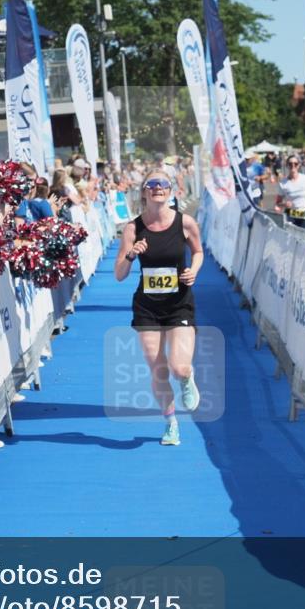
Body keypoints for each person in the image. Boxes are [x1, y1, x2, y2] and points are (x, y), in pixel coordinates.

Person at [114, 170, 204, 447]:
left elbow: (198, 252)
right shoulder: (133, 228)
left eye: (162, 184)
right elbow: (119, 273)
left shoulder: (185, 223)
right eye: (151, 185)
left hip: (179, 304)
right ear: (143, 192)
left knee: (179, 367)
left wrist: (193, 271)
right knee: (158, 369)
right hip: (147, 307)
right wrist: (131, 254)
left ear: (171, 190)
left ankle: (187, 379)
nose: (157, 188)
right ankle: (171, 423)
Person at [276, 155, 305, 229]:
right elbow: (278, 202)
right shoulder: (283, 183)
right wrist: (284, 204)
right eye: (290, 164)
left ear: (299, 165)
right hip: (291, 213)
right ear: (287, 165)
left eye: (295, 164)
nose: (293, 166)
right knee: (291, 237)